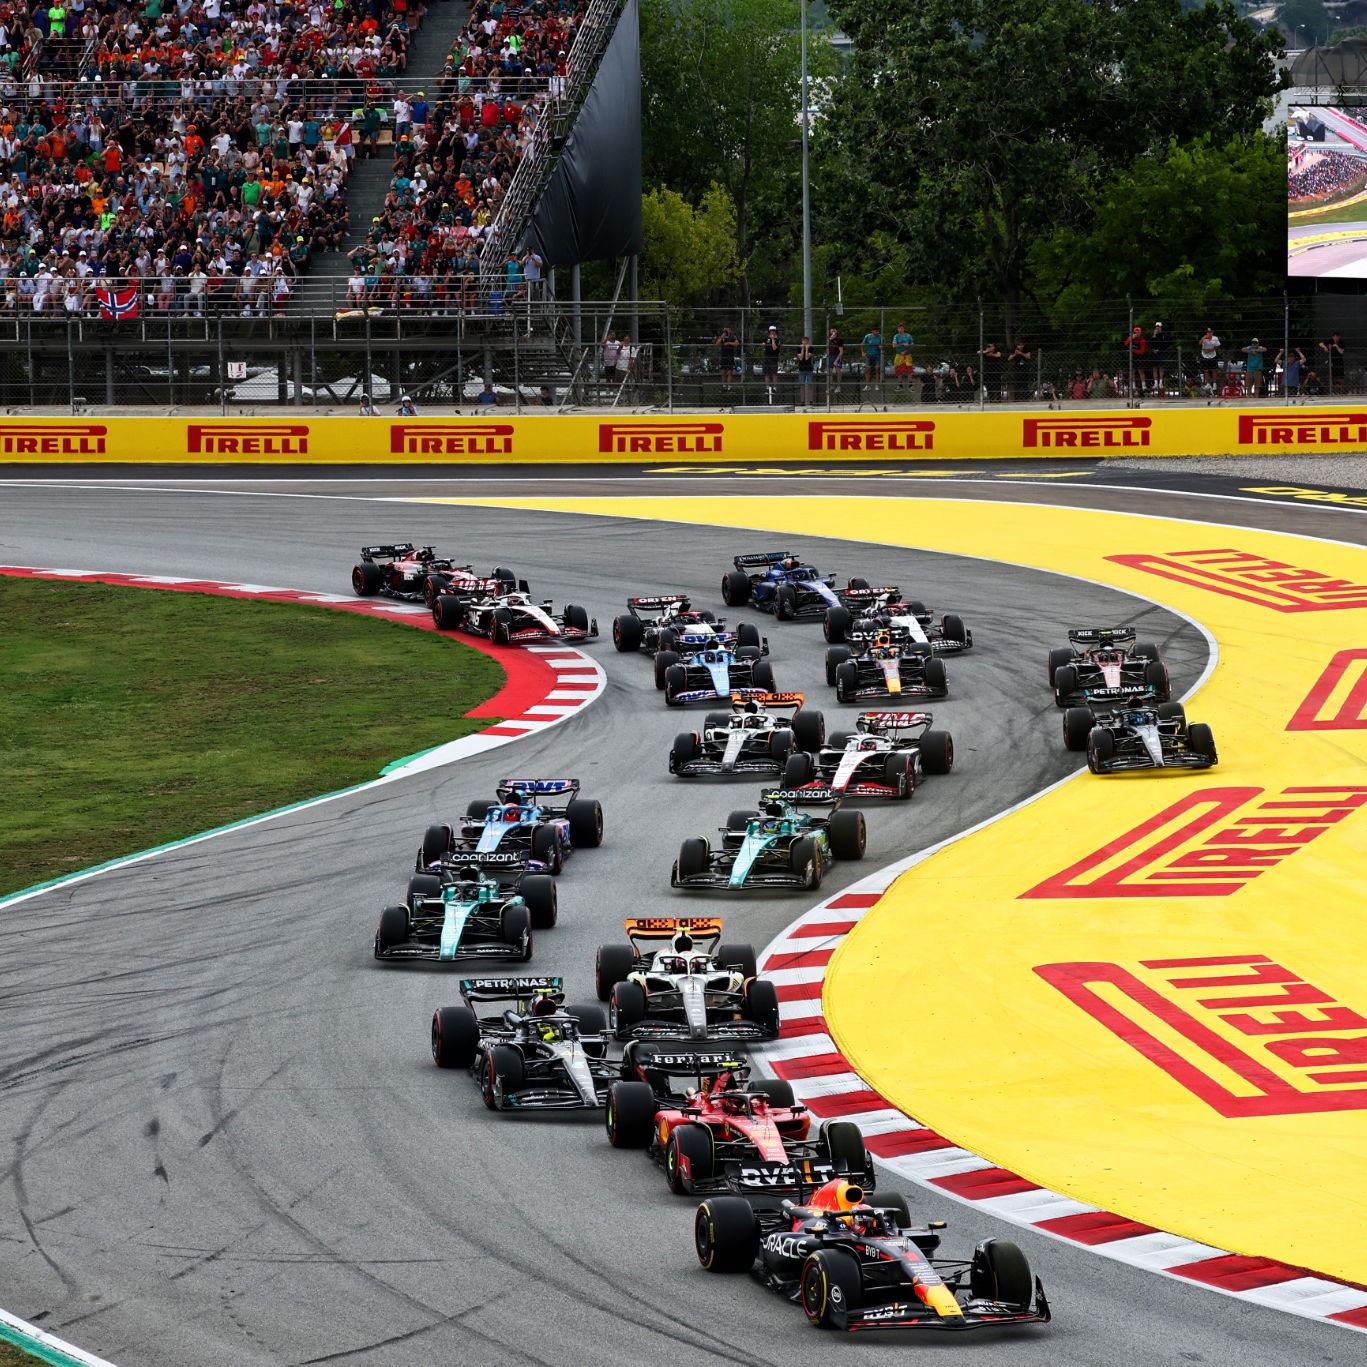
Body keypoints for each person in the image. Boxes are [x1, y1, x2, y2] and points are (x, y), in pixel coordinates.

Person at [1123, 325, 1148, 395]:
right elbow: (1125, 344)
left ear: (1140, 333)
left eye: (1138, 332)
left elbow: (1142, 351)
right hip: (1132, 357)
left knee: (1141, 371)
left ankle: (1143, 385)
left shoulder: (1142, 340)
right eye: (1135, 332)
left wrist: (1134, 351)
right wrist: (1131, 338)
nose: (1136, 333)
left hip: (1139, 357)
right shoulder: (1132, 338)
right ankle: (1133, 386)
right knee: (1132, 371)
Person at [716, 326, 740, 391]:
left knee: (729, 373)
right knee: (723, 373)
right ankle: (724, 387)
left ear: (730, 330)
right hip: (723, 357)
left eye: (727, 329)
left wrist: (729, 343)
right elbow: (717, 344)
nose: (726, 331)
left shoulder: (733, 337)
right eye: (724, 329)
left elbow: (737, 343)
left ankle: (729, 387)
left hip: (730, 357)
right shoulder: (722, 337)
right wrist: (721, 337)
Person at [1149, 322, 1169, 396]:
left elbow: (1165, 344)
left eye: (1159, 327)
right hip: (1154, 353)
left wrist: (1159, 350)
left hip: (1161, 353)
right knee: (1154, 368)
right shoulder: (1153, 334)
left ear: (1161, 327)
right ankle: (1155, 383)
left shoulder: (1164, 335)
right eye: (1156, 326)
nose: (1157, 328)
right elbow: (1151, 342)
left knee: (1161, 367)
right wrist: (1154, 334)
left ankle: (1160, 382)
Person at [1198, 327, 1220, 394]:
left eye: (1210, 332)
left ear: (1212, 333)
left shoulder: (1215, 338)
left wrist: (1210, 350)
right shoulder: (1204, 338)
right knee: (1206, 370)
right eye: (1208, 332)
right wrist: (1204, 338)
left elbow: (1217, 346)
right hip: (1205, 356)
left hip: (1213, 355)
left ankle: (1214, 384)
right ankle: (1207, 383)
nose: (1209, 333)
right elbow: (1199, 343)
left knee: (1214, 370)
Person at [763, 325, 781, 401]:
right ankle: (767, 388)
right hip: (767, 357)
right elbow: (764, 345)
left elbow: (774, 348)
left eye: (774, 331)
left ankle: (774, 388)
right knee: (766, 373)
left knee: (774, 373)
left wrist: (773, 339)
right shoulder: (766, 338)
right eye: (771, 331)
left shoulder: (777, 339)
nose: (773, 332)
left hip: (774, 358)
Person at [796, 335, 815, 406]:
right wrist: (802, 349)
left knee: (810, 385)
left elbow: (807, 357)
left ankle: (811, 401)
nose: (805, 342)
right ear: (802, 341)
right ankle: (802, 401)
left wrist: (806, 349)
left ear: (808, 342)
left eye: (806, 341)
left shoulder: (811, 348)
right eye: (803, 341)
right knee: (802, 385)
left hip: (809, 368)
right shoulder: (799, 348)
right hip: (801, 369)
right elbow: (801, 358)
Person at [826, 327, 844, 395]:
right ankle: (831, 385)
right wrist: (830, 338)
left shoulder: (839, 339)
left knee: (837, 370)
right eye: (831, 330)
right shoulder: (829, 339)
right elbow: (827, 347)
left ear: (836, 331)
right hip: (831, 356)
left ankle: (839, 386)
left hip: (838, 355)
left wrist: (836, 360)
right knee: (829, 371)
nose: (833, 331)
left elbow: (841, 351)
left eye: (834, 330)